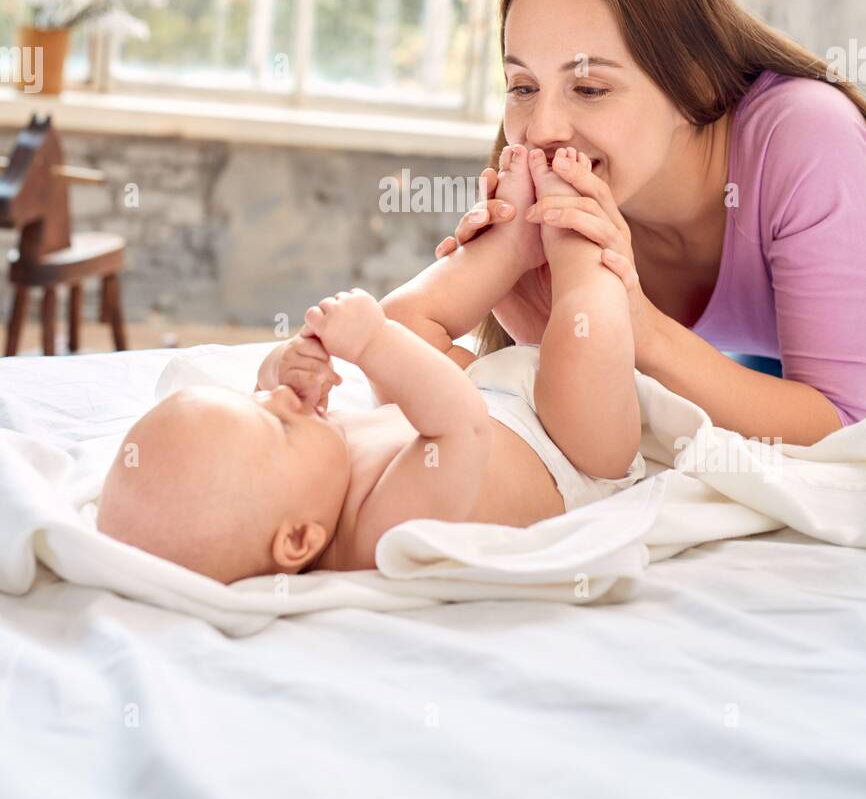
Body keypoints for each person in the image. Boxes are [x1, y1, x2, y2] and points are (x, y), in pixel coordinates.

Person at [96, 147, 649, 583]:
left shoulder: (307, 479)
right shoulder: (381, 529)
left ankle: (508, 250)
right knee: (586, 337)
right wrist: (372, 344)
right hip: (572, 447)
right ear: (298, 542)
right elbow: (459, 423)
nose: (282, 400)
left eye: (259, 402)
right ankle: (574, 236)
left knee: (405, 315)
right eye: (279, 424)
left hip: (493, 392)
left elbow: (281, 397)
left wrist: (281, 370)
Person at [434, 0, 866, 445]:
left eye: (589, 88)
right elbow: (592, 437)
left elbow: (846, 427)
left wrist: (645, 331)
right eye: (523, 86)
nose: (542, 129)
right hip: (756, 363)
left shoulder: (808, 137)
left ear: (693, 85)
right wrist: (535, 320)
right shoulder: (555, 173)